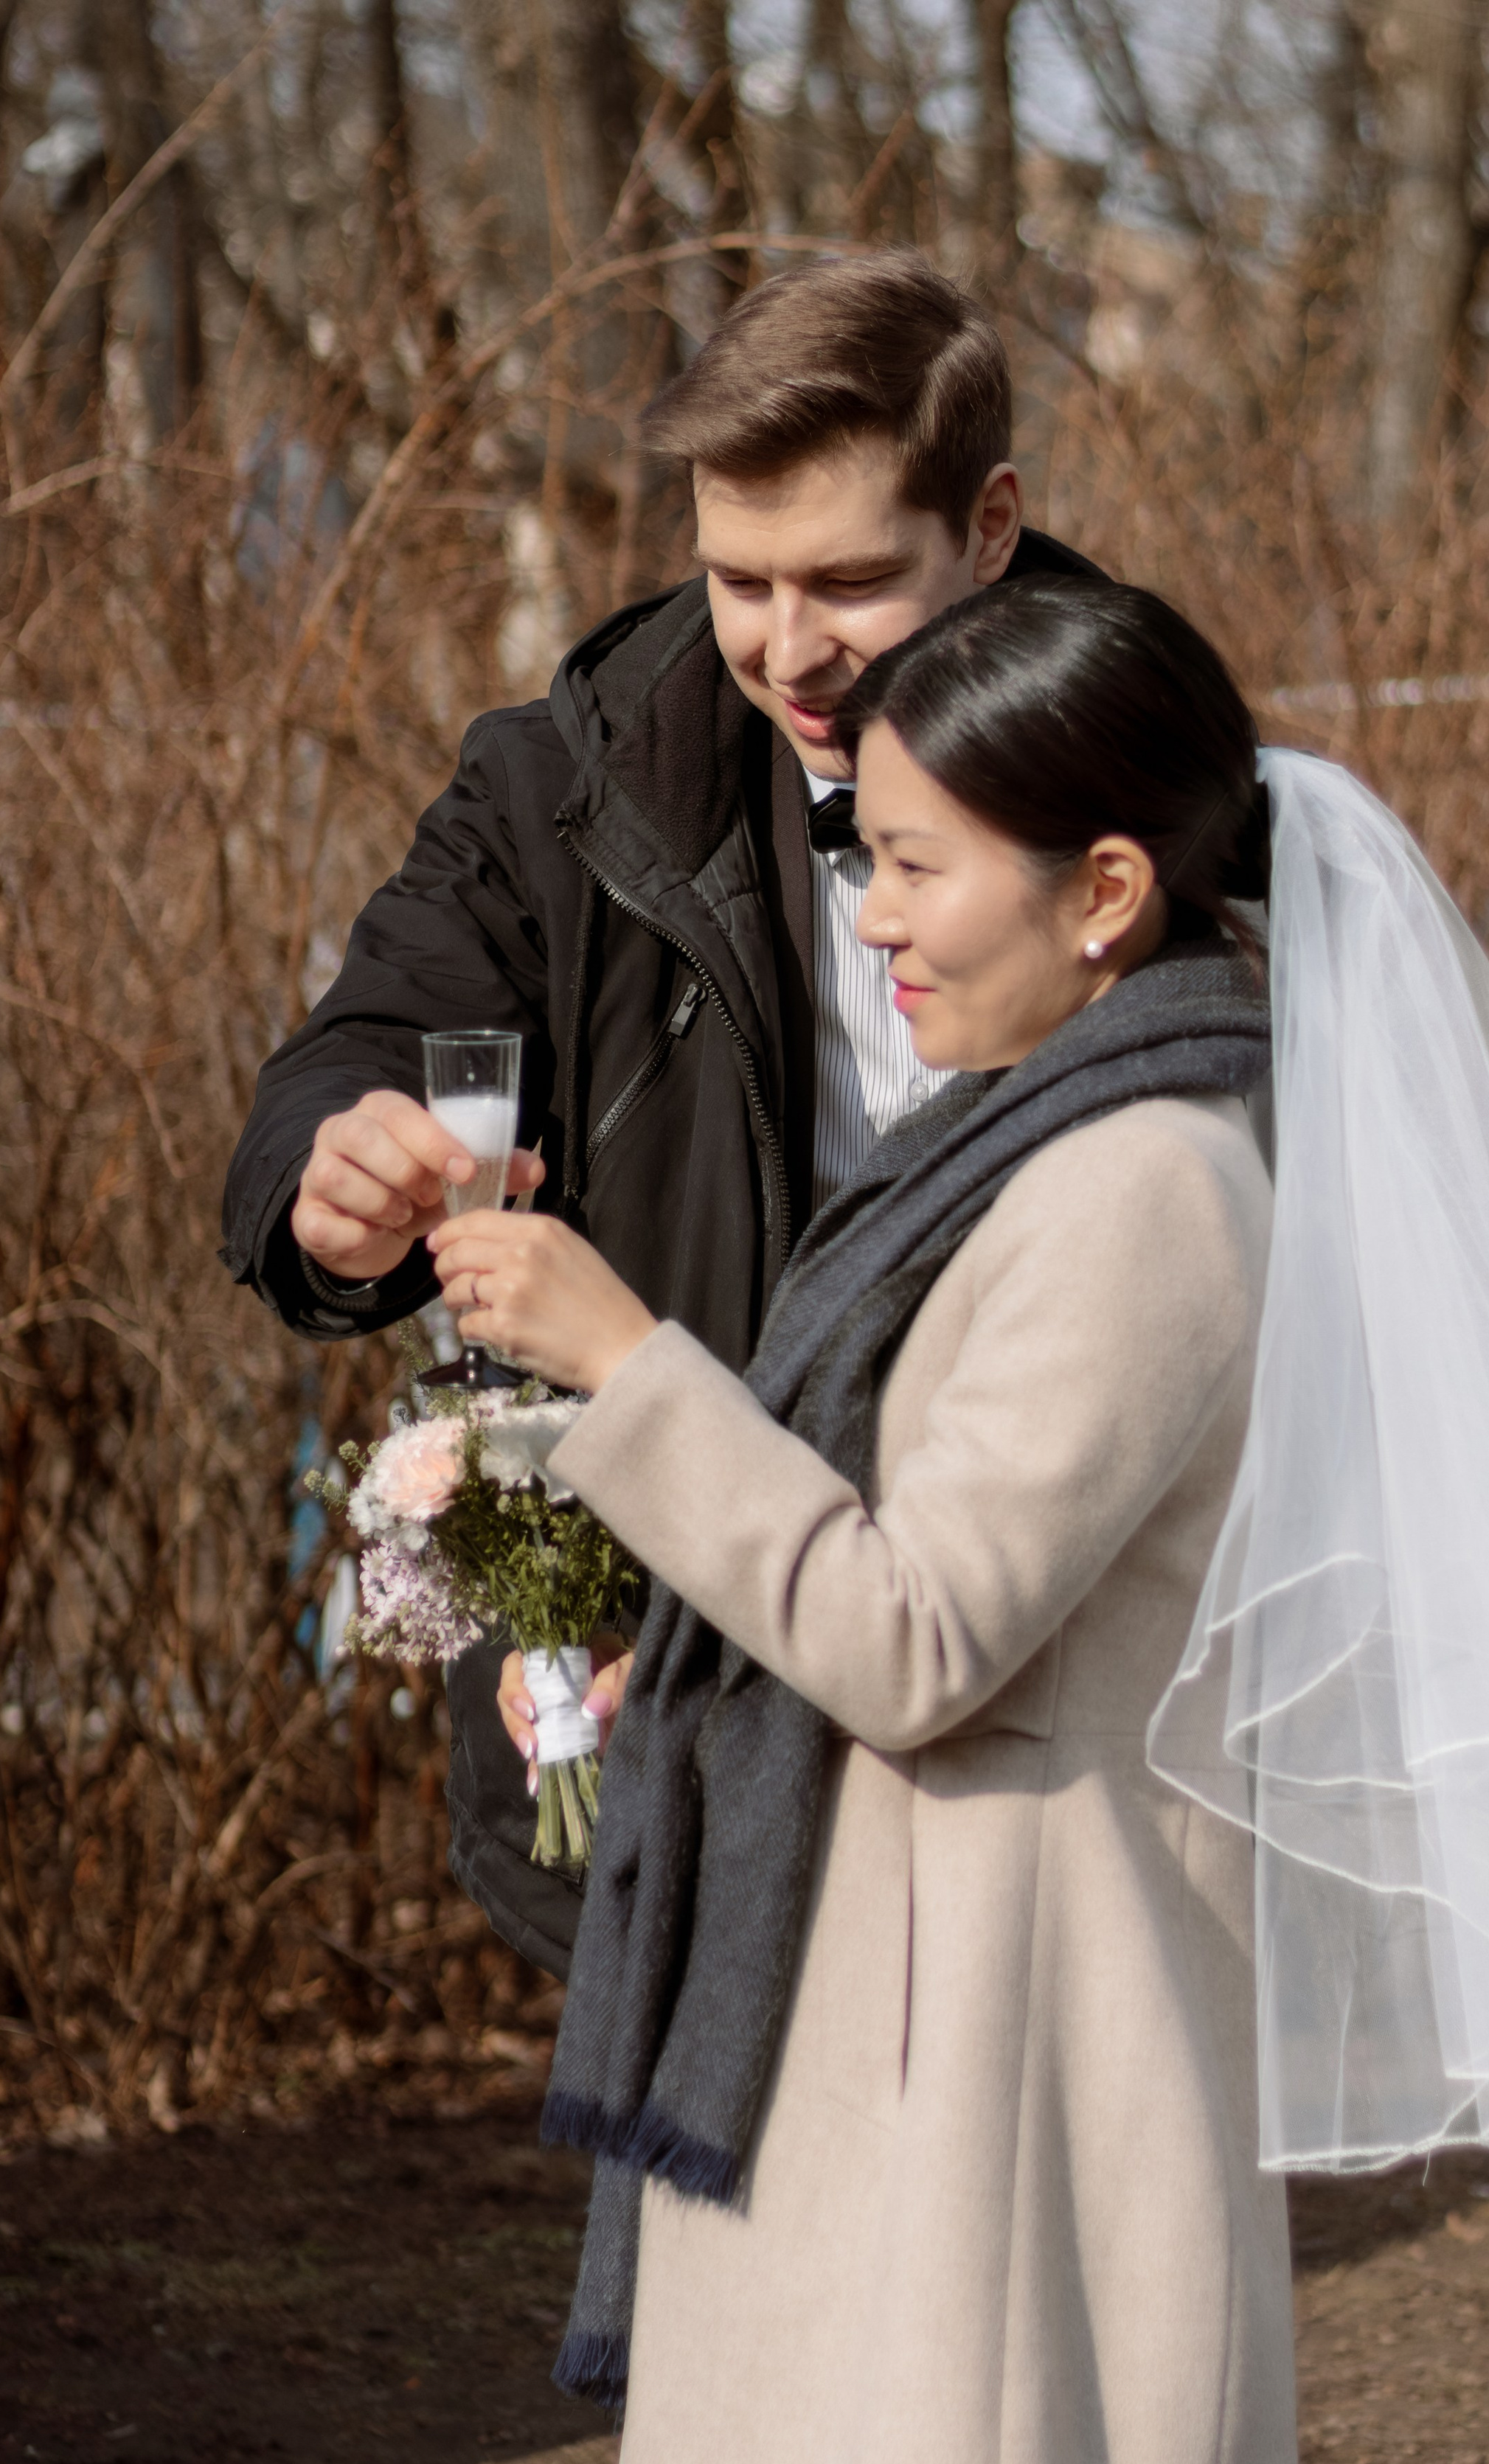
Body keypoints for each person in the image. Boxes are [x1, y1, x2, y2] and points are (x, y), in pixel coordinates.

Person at [426, 572, 1293, 2463]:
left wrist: (627, 1360)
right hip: (890, 2029)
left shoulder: (1147, 1188)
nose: (872, 914)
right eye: (861, 856)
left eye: (913, 865)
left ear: (1105, 891)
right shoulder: (1009, 1141)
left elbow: (916, 1636)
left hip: (992, 2080)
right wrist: (680, 1665)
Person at [218, 251, 1108, 1977]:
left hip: (1029, 1692)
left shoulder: (1140, 782)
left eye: (850, 581)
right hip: (651, 1706)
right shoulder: (555, 784)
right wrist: (331, 1177)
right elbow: (356, 1053)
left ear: (989, 527)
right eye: (737, 579)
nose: (788, 647)